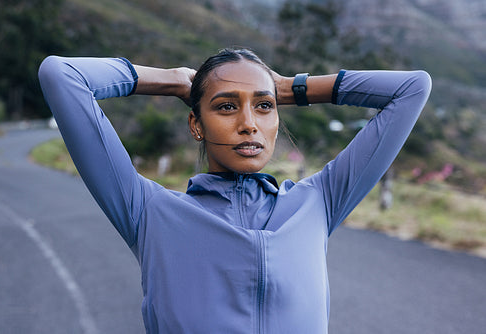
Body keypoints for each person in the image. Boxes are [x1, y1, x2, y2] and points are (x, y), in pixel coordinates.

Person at [38, 48, 431, 334]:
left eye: (264, 107)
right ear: (196, 125)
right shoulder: (148, 212)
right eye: (226, 107)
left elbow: (412, 88)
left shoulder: (319, 201)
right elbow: (62, 75)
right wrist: (174, 81)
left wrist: (290, 88)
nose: (249, 124)